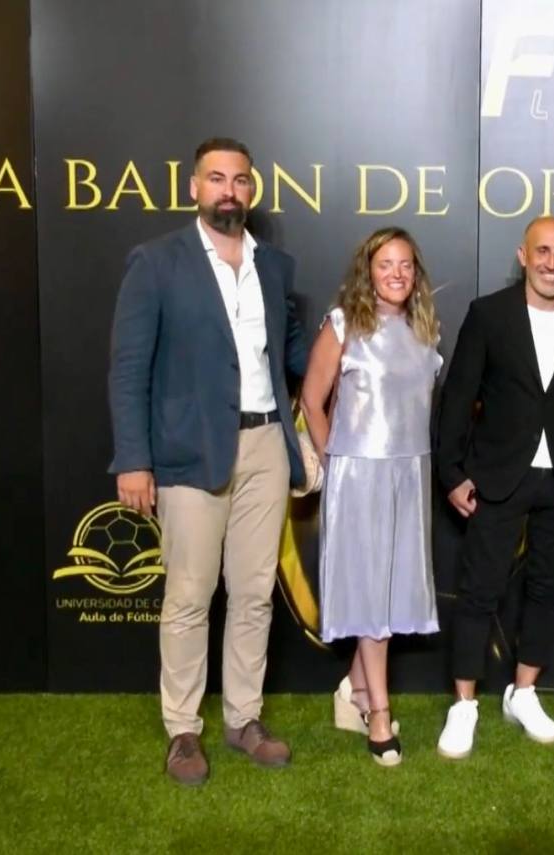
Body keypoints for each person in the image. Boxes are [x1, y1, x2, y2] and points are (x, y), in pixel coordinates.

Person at [109, 137, 307, 785]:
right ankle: (183, 729)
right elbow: (129, 368)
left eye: (239, 180)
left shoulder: (273, 265)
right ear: (195, 187)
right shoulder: (156, 262)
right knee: (190, 594)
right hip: (189, 448)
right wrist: (133, 459)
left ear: (251, 190)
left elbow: (290, 353)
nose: (229, 190)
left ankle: (244, 718)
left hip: (265, 444)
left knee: (254, 593)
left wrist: (353, 346)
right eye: (216, 178)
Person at [435, 216, 554, 759]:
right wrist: (452, 473)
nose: (551, 263)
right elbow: (457, 396)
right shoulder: (488, 315)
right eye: (542, 251)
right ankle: (464, 704)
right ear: (523, 255)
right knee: (478, 591)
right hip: (497, 476)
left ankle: (524, 693)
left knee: (547, 589)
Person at [299, 227, 442, 766]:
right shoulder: (343, 324)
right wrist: (335, 461)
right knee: (369, 595)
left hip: (410, 473)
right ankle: (378, 714)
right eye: (386, 264)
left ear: (415, 273)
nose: (396, 274)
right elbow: (312, 401)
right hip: (359, 476)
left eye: (405, 265)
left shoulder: (425, 330)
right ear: (368, 270)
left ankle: (354, 691)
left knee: (391, 592)